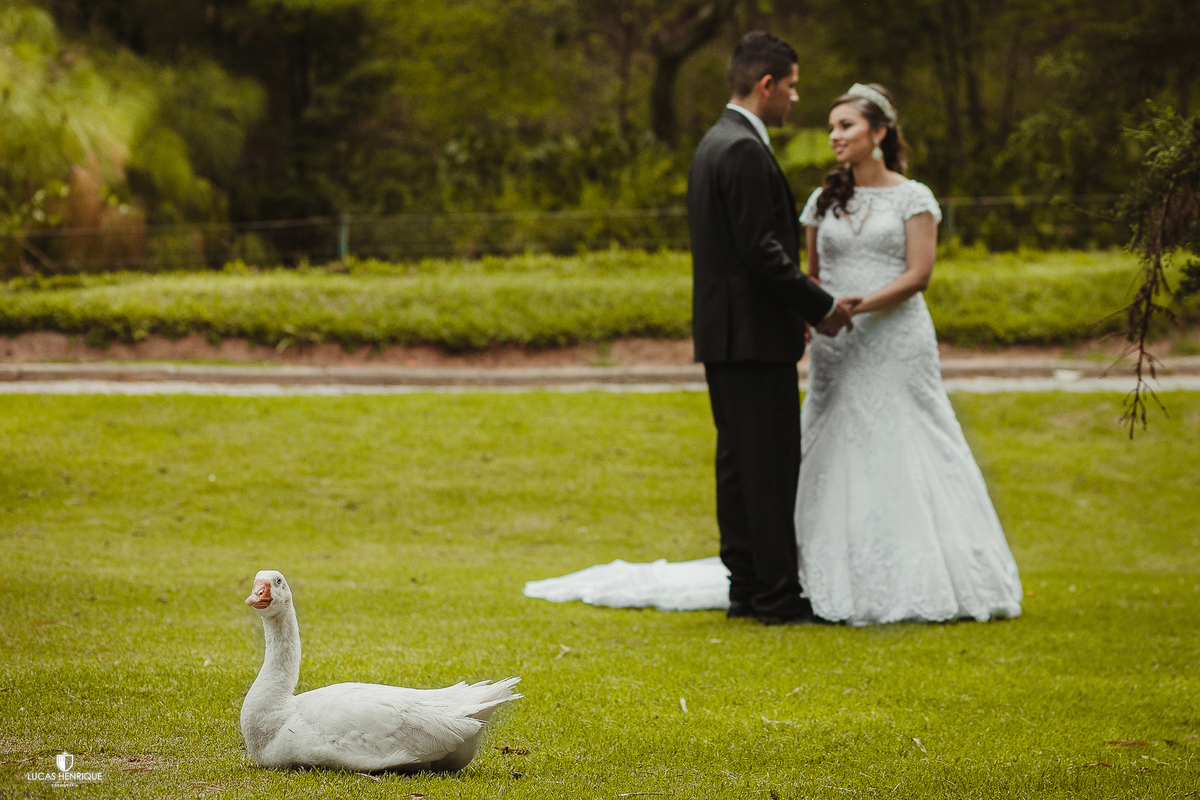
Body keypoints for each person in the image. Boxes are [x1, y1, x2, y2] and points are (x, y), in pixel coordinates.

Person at [794, 83, 1022, 625]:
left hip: (895, 342)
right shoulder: (820, 201)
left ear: (879, 132)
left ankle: (923, 575)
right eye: (831, 127)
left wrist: (852, 308)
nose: (834, 136)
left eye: (846, 125)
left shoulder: (913, 197)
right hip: (836, 349)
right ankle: (816, 572)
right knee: (834, 443)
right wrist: (817, 314)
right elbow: (811, 275)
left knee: (906, 441)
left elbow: (919, 275)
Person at [687, 31, 859, 625]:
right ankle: (777, 597)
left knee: (739, 465)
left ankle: (747, 587)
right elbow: (764, 252)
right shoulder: (741, 149)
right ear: (766, 85)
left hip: (726, 335)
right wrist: (821, 306)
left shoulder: (715, 142)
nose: (794, 98)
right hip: (753, 337)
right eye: (790, 86)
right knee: (768, 467)